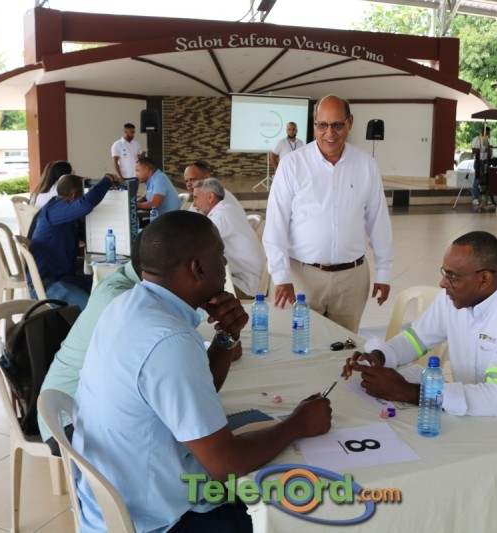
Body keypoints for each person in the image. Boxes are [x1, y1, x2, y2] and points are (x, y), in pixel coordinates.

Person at [72, 211, 332, 532]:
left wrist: (226, 336)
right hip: (157, 521)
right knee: (307, 505)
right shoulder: (169, 339)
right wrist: (298, 423)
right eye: (220, 255)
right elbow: (227, 465)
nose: (225, 263)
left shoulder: (129, 305)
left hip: (116, 497)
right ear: (197, 267)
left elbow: (194, 393)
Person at [343, 231, 497, 460]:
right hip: (476, 419)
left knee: (423, 460)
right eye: (444, 273)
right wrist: (379, 356)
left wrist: (408, 391)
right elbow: (416, 338)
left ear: (484, 279)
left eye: (452, 276)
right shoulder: (455, 298)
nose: (442, 283)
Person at [263, 94, 394, 333]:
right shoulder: (292, 165)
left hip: (352, 280)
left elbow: (379, 222)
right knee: (296, 345)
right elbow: (275, 225)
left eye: (337, 125)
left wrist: (384, 272)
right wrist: (281, 277)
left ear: (350, 122)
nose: (329, 133)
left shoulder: (366, 165)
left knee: (344, 348)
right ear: (314, 124)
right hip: (301, 278)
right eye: (322, 125)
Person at [37, 232, 144, 454]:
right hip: (68, 423)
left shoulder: (127, 280)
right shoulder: (123, 302)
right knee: (187, 442)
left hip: (80, 409)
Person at [29, 173, 123, 309]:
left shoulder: (60, 209)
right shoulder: (55, 210)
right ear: (74, 195)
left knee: (105, 285)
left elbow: (81, 234)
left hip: (63, 277)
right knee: (92, 308)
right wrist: (107, 180)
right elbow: (86, 204)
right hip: (46, 283)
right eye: (82, 194)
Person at [193, 178, 263, 297]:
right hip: (242, 278)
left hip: (244, 284)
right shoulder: (226, 209)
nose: (194, 204)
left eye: (196, 198)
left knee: (191, 285)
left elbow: (197, 243)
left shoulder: (222, 214)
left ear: (210, 197)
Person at [471, 126, 491, 207]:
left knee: (485, 180)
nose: (488, 135)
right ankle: (475, 198)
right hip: (479, 161)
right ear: (484, 132)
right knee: (477, 179)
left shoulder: (487, 140)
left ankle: (485, 198)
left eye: (489, 134)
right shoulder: (477, 139)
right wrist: (482, 149)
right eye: (487, 133)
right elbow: (474, 151)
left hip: (485, 162)